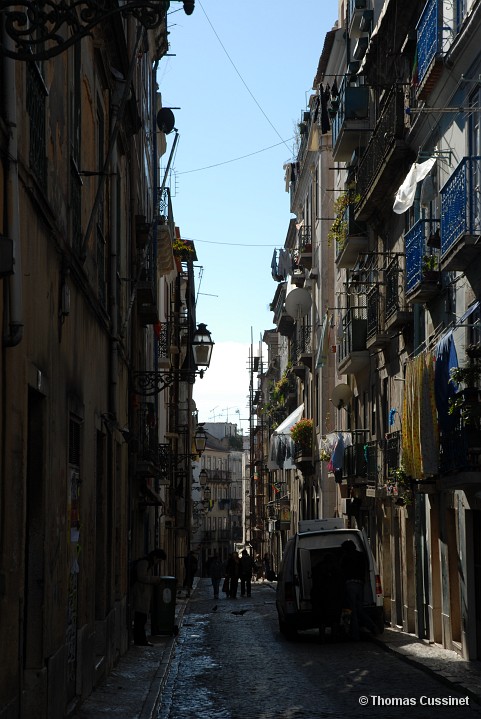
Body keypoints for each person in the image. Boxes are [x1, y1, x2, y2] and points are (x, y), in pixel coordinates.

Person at [340, 540, 379, 641]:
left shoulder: (345, 558)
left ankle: (355, 635)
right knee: (359, 609)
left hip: (350, 585)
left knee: (352, 611)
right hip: (360, 585)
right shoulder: (361, 556)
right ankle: (372, 627)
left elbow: (342, 572)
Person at [132, 548, 167, 646]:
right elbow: (141, 577)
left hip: (143, 595)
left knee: (142, 619)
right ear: (155, 557)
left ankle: (141, 640)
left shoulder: (149, 564)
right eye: (159, 560)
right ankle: (140, 641)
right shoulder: (144, 563)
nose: (158, 562)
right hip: (140, 594)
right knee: (140, 620)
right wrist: (155, 579)